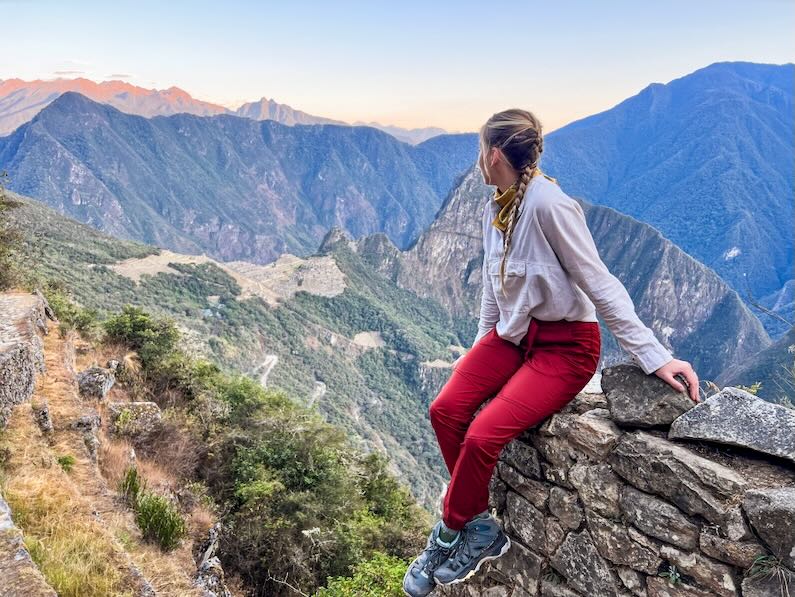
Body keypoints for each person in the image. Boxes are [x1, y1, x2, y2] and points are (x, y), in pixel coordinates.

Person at [403, 108, 700, 596]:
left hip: (565, 348)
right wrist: (481, 349)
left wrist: (654, 355)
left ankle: (450, 530)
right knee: (446, 409)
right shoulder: (495, 204)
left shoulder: (550, 206)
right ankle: (481, 525)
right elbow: (493, 287)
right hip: (512, 335)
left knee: (481, 436)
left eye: (482, 151)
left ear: (494, 154)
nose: (479, 160)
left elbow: (599, 283)